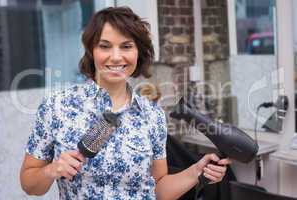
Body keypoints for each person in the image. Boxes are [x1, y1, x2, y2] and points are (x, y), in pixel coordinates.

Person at [20, 6, 231, 200]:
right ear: (91, 51)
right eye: (105, 46)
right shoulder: (57, 107)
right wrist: (52, 169)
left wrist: (195, 172)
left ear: (138, 53)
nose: (115, 56)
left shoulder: (152, 115)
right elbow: (29, 184)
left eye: (126, 46)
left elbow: (158, 188)